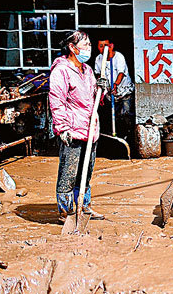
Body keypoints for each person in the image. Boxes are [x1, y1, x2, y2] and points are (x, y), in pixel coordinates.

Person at [49, 31, 109, 223]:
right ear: (72, 48)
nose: (89, 48)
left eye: (90, 44)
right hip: (72, 130)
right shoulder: (61, 71)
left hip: (90, 130)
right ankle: (65, 213)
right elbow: (56, 101)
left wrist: (102, 88)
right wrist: (62, 128)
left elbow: (95, 100)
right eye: (85, 45)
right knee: (69, 173)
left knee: (86, 171)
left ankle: (84, 206)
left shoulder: (88, 71)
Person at [93, 39, 134, 138]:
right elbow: (98, 74)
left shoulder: (118, 57)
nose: (103, 48)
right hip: (109, 93)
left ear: (111, 45)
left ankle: (128, 135)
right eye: (101, 46)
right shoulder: (98, 59)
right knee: (113, 116)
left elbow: (121, 73)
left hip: (124, 91)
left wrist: (115, 85)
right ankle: (115, 134)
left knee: (126, 114)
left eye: (106, 45)